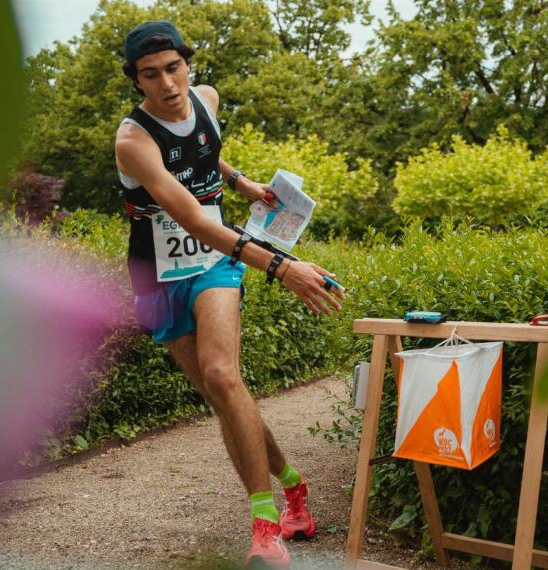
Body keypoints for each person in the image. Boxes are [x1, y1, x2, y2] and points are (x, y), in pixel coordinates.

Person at [113, 20, 344, 569]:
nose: (167, 84)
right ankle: (292, 485)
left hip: (217, 261)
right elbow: (192, 217)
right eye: (151, 75)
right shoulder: (132, 142)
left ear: (187, 64)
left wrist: (241, 183)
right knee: (224, 394)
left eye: (174, 68)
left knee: (222, 374)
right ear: (136, 81)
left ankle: (266, 527)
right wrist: (283, 266)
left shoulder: (207, 99)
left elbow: (202, 149)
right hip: (159, 275)